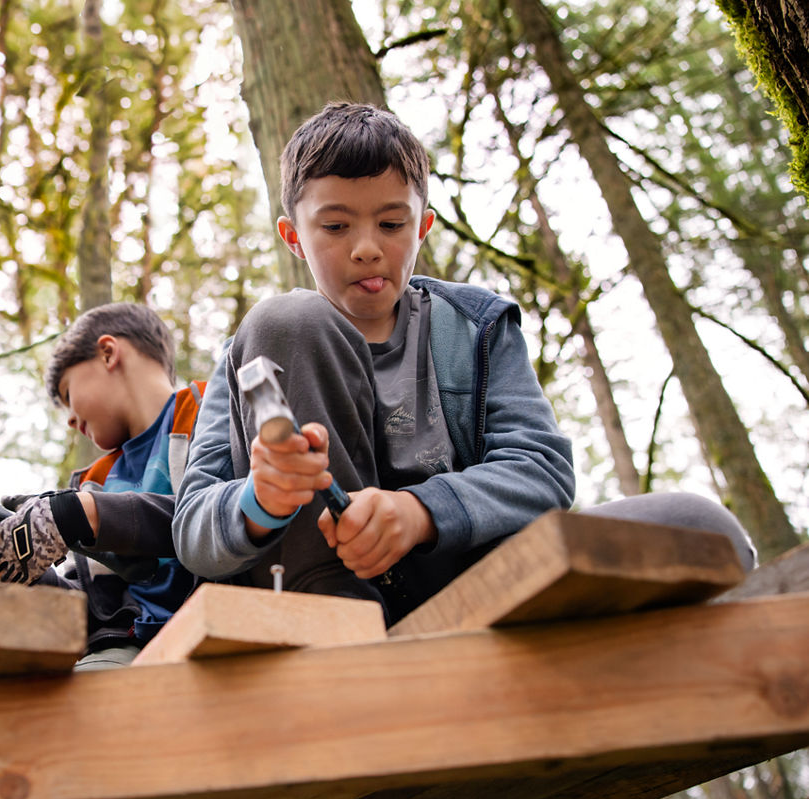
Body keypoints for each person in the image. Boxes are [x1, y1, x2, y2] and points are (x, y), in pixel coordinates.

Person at [172, 102, 755, 626]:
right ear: (293, 237)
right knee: (283, 318)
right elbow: (192, 527)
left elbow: (542, 471)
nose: (367, 247)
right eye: (335, 226)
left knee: (706, 529)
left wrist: (419, 512)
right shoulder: (250, 354)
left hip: (465, 586)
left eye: (392, 224)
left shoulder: (475, 327)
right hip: (321, 605)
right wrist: (259, 501)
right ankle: (350, 640)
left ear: (423, 227)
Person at [0, 302, 203, 669]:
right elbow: (90, 610)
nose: (70, 419)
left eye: (67, 393)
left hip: (214, 621)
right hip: (127, 650)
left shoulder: (207, 410)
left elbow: (215, 516)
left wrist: (78, 515)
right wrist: (15, 556)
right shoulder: (92, 483)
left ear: (108, 353)